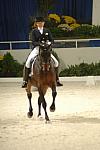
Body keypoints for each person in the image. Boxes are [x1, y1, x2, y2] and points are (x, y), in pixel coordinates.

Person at [22, 16, 63, 88]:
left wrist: (49, 43)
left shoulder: (47, 30)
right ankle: (25, 80)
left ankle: (57, 79)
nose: (40, 24)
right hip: (37, 49)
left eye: (42, 22)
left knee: (56, 62)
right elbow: (33, 42)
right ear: (37, 24)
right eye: (39, 23)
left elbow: (52, 39)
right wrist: (40, 44)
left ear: (44, 23)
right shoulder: (34, 31)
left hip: (46, 49)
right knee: (28, 62)